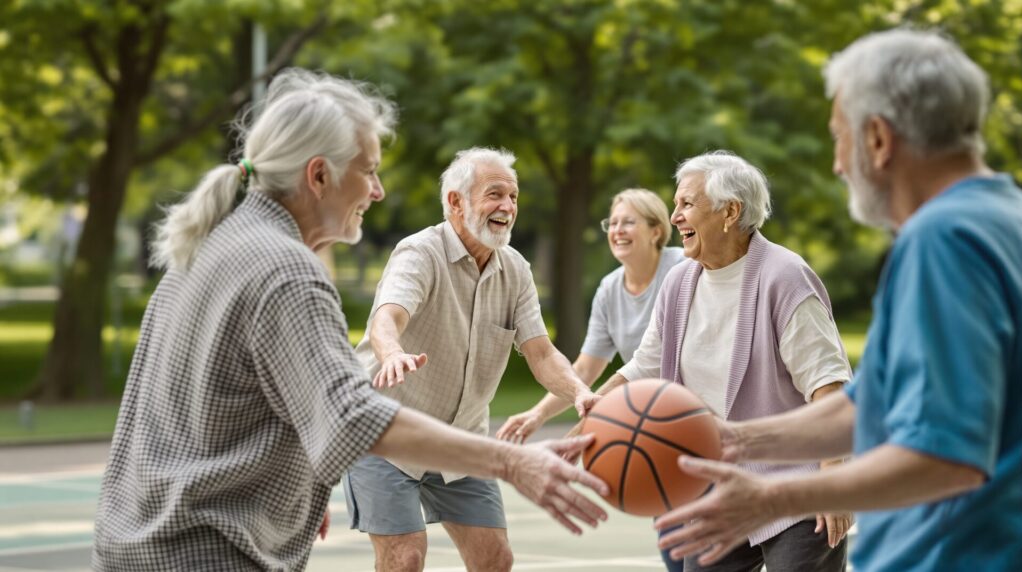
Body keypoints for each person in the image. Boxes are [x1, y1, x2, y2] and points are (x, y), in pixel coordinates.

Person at [91, 70, 609, 571]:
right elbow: (353, 417)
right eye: (369, 170)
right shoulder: (288, 271)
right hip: (206, 554)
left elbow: (242, 397)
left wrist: (305, 482)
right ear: (319, 175)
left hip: (133, 549)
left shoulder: (209, 248)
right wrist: (513, 462)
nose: (378, 190)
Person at [655, 29, 1022, 572]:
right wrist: (733, 440)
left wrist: (774, 497)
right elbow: (868, 406)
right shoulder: (1004, 216)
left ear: (877, 138)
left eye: (838, 137)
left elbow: (946, 457)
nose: (836, 164)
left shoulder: (943, 240)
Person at [584, 151, 853, 571]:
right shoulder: (678, 281)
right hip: (718, 484)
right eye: (676, 204)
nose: (675, 217)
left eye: (687, 204)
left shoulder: (785, 277)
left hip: (795, 483)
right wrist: (592, 414)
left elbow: (828, 385)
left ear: (730, 212)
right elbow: (645, 365)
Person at [345, 147, 601, 572]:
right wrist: (392, 354)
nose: (508, 207)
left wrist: (579, 392)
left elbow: (540, 352)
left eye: (513, 197)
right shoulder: (420, 252)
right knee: (405, 558)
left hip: (461, 440)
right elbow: (387, 318)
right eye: (495, 194)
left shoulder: (515, 270)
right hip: (386, 434)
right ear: (455, 202)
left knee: (495, 559)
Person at [496, 188, 684, 443]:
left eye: (628, 222)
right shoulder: (609, 289)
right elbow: (585, 368)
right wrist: (538, 414)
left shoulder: (682, 267)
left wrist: (573, 437)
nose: (617, 231)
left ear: (656, 232)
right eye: (612, 223)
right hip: (650, 412)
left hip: (693, 406)